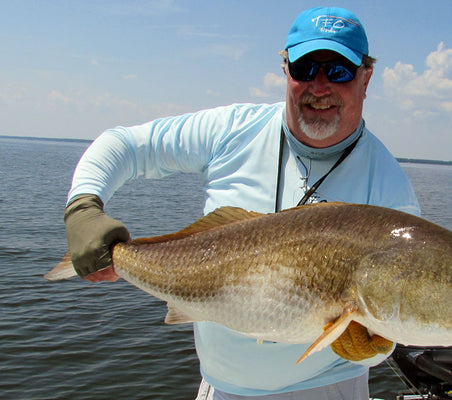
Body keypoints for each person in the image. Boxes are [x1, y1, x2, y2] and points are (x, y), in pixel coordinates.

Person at [64, 6, 420, 400]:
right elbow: (124, 145)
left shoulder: (390, 193)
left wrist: (375, 347)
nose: (320, 87)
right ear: (285, 69)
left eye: (338, 71)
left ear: (365, 78)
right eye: (305, 68)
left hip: (328, 390)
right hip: (220, 389)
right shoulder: (233, 130)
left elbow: (399, 321)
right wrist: (82, 207)